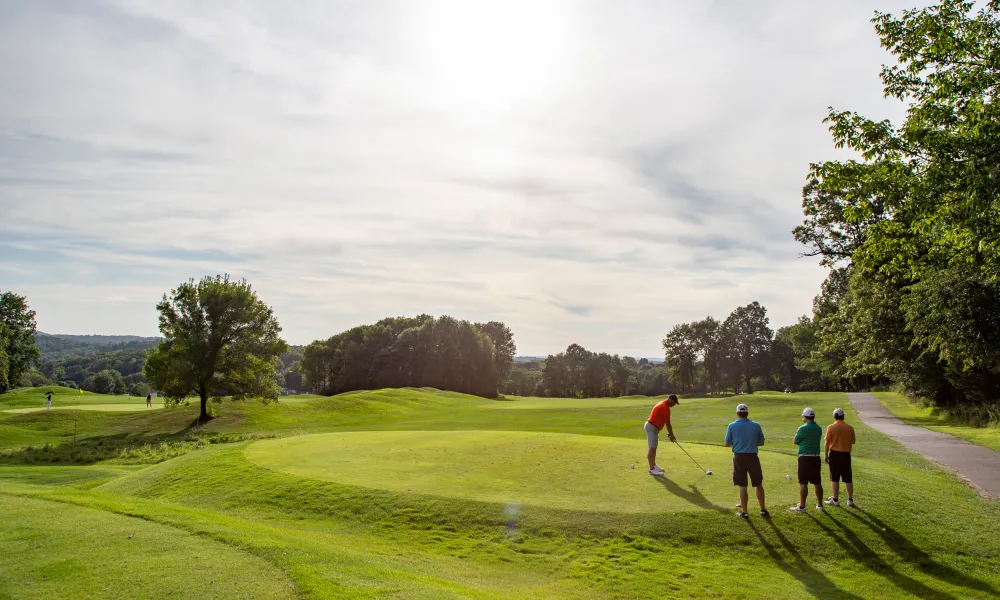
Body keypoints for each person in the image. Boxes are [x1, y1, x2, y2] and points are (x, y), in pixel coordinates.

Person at [724, 403, 769, 520]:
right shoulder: (756, 425)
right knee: (758, 483)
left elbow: (726, 443)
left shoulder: (732, 426)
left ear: (737, 413)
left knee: (743, 485)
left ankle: (745, 512)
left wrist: (738, 443)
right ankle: (763, 510)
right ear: (747, 413)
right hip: (753, 457)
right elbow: (761, 442)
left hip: (739, 457)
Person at [790, 407, 824, 513]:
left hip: (805, 458)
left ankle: (802, 506)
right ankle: (820, 505)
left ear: (805, 417)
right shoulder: (818, 428)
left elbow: (795, 441)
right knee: (817, 482)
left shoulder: (802, 428)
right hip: (816, 457)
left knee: (803, 483)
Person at [824, 407, 857, 507]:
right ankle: (850, 500)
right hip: (846, 455)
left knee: (835, 477)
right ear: (843, 416)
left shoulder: (830, 427)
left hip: (835, 454)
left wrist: (825, 455)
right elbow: (853, 441)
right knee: (848, 478)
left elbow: (827, 443)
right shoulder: (850, 427)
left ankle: (835, 499)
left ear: (834, 416)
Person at [644, 394, 679, 475]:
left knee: (654, 448)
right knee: (652, 448)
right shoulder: (665, 407)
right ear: (670, 399)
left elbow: (663, 420)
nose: (674, 404)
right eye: (674, 402)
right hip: (651, 427)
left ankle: (654, 465)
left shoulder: (663, 404)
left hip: (654, 428)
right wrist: (672, 435)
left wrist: (670, 434)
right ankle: (651, 469)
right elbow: (668, 424)